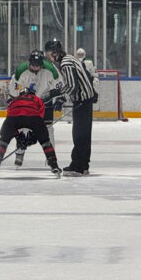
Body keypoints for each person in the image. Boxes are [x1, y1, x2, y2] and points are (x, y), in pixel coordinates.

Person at [45, 38, 97, 176]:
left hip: (81, 100)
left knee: (79, 134)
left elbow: (72, 86)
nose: (48, 57)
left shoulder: (66, 63)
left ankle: (77, 167)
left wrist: (60, 96)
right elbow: (84, 76)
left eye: (49, 53)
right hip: (86, 99)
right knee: (85, 135)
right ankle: (84, 165)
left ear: (55, 53)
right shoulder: (70, 58)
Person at [8, 49, 63, 167]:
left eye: (38, 65)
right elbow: (14, 87)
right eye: (33, 65)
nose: (35, 68)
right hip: (28, 103)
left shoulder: (51, 69)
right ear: (29, 63)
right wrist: (13, 99)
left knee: (48, 129)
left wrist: (59, 98)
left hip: (45, 101)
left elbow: (59, 85)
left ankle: (51, 157)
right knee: (23, 128)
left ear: (42, 64)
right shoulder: (21, 71)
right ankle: (20, 152)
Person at [0, 87, 60, 177]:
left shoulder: (15, 100)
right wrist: (34, 136)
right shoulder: (37, 99)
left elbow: (10, 115)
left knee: (3, 141)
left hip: (13, 118)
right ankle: (54, 165)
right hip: (33, 117)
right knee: (45, 141)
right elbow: (40, 116)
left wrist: (18, 136)